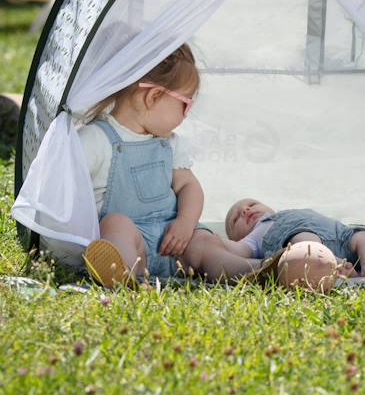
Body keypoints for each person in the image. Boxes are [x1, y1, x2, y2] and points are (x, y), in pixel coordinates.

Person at [81, 44, 260, 286]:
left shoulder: (170, 144)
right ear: (153, 96)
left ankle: (250, 271)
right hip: (135, 242)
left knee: (204, 243)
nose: (186, 115)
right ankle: (125, 273)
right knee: (115, 223)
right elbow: (69, 192)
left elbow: (189, 185)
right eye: (185, 104)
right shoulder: (97, 139)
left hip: (177, 242)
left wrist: (185, 223)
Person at [222, 198, 365, 277]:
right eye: (236, 218)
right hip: (302, 238)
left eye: (252, 204)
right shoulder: (254, 237)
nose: (246, 210)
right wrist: (216, 242)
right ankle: (335, 266)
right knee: (304, 240)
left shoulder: (286, 212)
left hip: (343, 236)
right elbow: (237, 251)